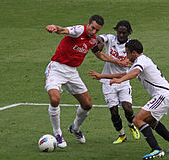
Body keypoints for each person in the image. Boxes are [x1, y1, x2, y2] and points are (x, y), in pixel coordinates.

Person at [88, 39, 169, 160]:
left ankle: (156, 149)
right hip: (165, 95)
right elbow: (125, 73)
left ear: (133, 53)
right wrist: (102, 76)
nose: (126, 56)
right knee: (151, 122)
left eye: (127, 53)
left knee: (137, 120)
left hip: (163, 95)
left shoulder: (141, 61)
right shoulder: (140, 61)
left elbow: (134, 73)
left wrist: (119, 81)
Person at [44, 15, 128, 148]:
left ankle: (75, 128)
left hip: (72, 72)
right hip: (57, 68)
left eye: (97, 30)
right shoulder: (79, 30)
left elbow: (99, 55)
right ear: (88, 24)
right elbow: (64, 30)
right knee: (55, 99)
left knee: (87, 104)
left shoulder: (93, 40)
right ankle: (58, 133)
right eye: (92, 28)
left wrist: (118, 61)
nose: (94, 32)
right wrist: (55, 28)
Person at [93, 20, 140, 144]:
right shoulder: (110, 38)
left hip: (123, 81)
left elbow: (125, 73)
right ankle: (122, 134)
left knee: (128, 108)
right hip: (108, 83)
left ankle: (131, 125)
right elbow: (99, 38)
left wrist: (103, 75)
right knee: (114, 111)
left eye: (124, 33)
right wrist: (99, 43)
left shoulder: (132, 47)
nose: (121, 35)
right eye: (119, 32)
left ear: (129, 32)